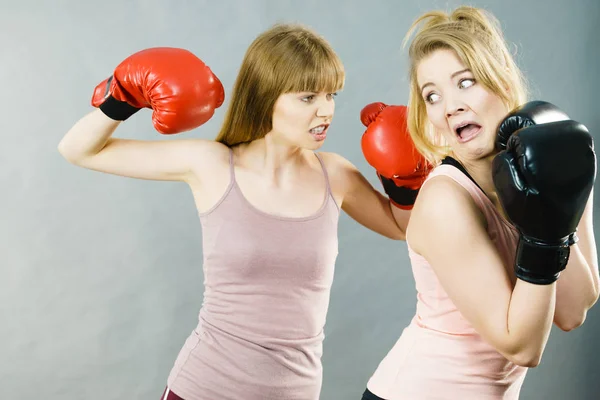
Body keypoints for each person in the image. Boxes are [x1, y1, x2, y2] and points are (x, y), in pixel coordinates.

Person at [57, 23, 424, 400]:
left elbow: (401, 227)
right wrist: (122, 97)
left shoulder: (335, 175)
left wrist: (404, 183)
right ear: (267, 97)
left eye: (330, 95)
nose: (326, 110)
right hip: (204, 386)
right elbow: (78, 149)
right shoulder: (212, 165)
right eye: (308, 97)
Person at [359, 6, 598, 400]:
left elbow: (573, 311)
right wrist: (544, 235)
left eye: (465, 83)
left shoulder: (548, 157)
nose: (449, 105)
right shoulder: (444, 200)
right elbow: (521, 345)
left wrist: (557, 202)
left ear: (502, 80)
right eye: (432, 95)